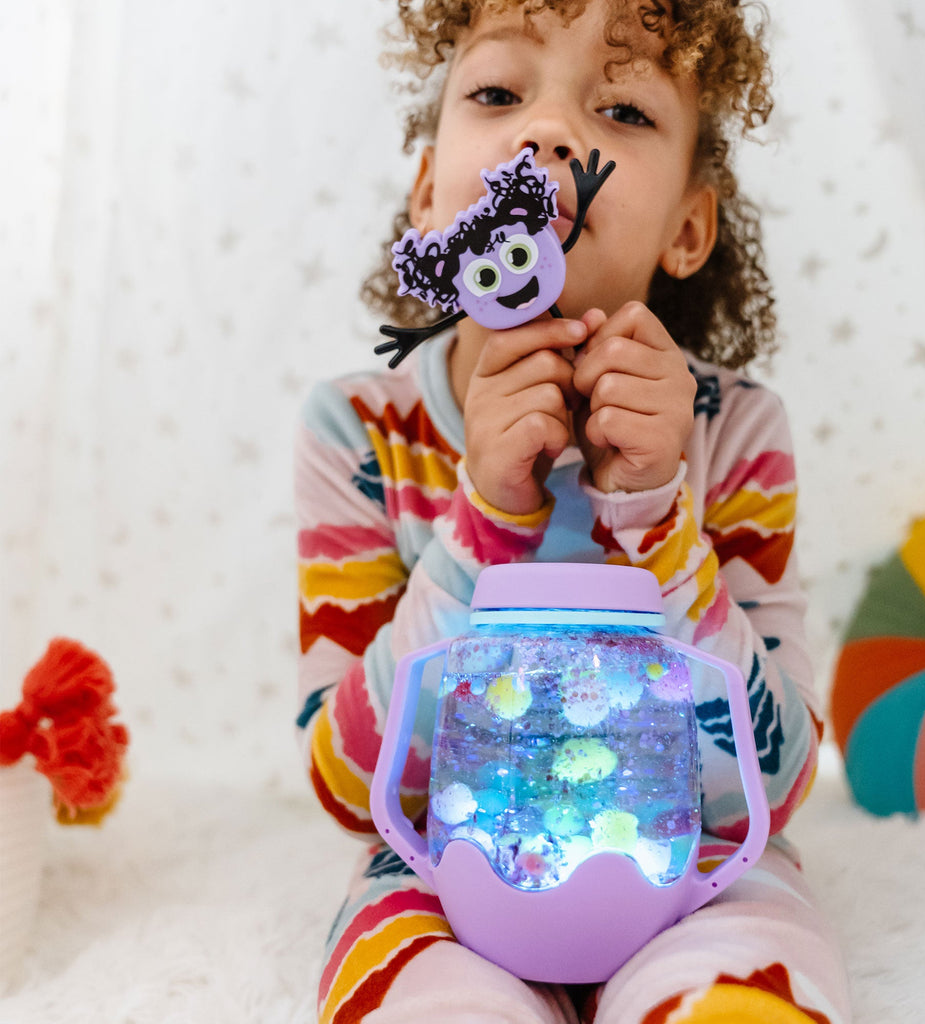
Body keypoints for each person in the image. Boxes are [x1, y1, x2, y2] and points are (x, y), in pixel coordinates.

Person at [295, 2, 851, 1021]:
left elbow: (770, 785)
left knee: (760, 938)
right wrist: (481, 520)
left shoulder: (735, 434)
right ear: (427, 196)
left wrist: (654, 510)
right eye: (499, 93)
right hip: (444, 863)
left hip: (694, 865)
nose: (547, 130)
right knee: (406, 960)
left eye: (624, 109)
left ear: (688, 226)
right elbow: (344, 781)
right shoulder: (360, 430)